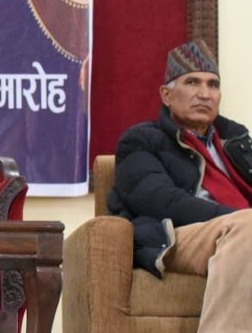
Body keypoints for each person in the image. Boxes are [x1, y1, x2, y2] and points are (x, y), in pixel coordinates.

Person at [108, 39, 252, 332]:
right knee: (248, 227)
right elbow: (161, 201)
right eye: (192, 82)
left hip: (243, 227)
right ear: (166, 94)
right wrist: (237, 217)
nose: (204, 94)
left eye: (213, 85)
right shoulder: (140, 140)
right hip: (179, 233)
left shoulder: (236, 142)